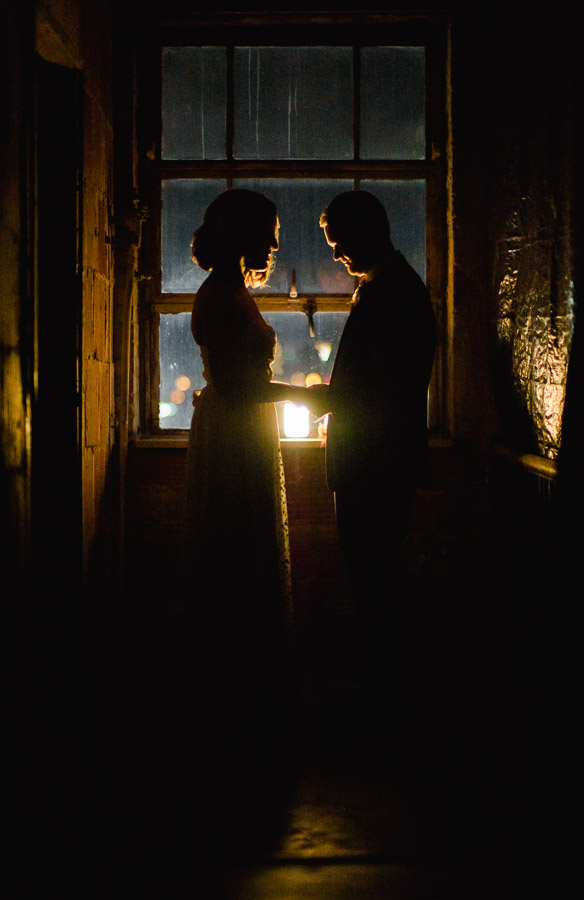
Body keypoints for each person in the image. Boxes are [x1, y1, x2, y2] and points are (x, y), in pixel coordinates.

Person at [185, 188, 311, 747]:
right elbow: (238, 385)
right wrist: (313, 401)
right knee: (240, 544)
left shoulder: (228, 291)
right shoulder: (221, 296)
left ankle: (239, 687)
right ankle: (242, 691)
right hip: (237, 432)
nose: (276, 243)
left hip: (239, 428)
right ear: (244, 234)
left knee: (240, 546)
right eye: (271, 231)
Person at [309, 190, 436, 723]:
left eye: (340, 244)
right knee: (376, 577)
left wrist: (311, 397)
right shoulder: (391, 287)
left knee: (374, 579)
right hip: (378, 458)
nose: (338, 255)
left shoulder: (392, 294)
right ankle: (383, 693)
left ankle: (381, 697)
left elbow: (377, 388)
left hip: (374, 462)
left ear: (369, 231)